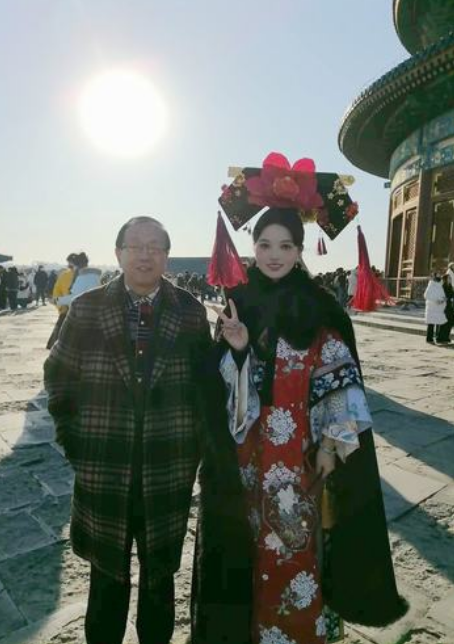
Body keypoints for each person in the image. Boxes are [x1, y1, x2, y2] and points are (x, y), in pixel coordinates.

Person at [192, 208, 406, 644]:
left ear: (299, 250)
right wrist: (238, 350)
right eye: (265, 245)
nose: (274, 255)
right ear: (253, 248)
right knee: (247, 543)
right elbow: (219, 389)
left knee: (298, 544)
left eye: (285, 245)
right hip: (245, 454)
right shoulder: (238, 302)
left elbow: (339, 382)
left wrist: (329, 445)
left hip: (300, 454)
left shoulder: (319, 305)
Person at [44, 216, 212, 644]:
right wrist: (73, 441)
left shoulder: (190, 312)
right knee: (105, 579)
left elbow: (206, 387)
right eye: (135, 246)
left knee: (160, 579)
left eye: (155, 246)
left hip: (168, 465)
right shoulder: (88, 308)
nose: (145, 255)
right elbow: (59, 376)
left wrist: (193, 447)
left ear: (167, 256)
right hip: (103, 463)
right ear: (118, 253)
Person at [424, 272, 447, 344]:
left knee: (439, 323)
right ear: (434, 277)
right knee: (431, 324)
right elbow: (426, 295)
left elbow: (443, 295)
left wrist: (443, 300)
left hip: (439, 309)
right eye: (438, 275)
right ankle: (429, 339)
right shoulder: (431, 285)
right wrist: (435, 300)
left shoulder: (440, 285)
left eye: (440, 275)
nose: (439, 276)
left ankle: (438, 338)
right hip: (432, 308)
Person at [435, 273, 453, 345]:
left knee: (450, 323)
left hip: (450, 307)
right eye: (449, 278)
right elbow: (441, 297)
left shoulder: (450, 286)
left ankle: (446, 337)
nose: (450, 279)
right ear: (445, 279)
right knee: (443, 323)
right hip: (444, 308)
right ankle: (439, 338)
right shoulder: (443, 287)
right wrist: (448, 299)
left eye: (450, 278)